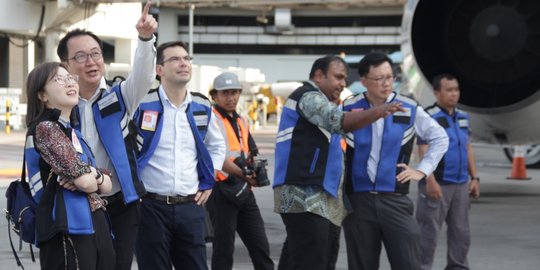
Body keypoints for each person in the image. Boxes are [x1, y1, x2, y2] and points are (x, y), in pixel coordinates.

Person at [273, 55, 404, 270]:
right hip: (305, 196)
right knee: (313, 261)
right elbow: (339, 121)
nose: (343, 84)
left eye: (344, 78)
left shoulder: (325, 101)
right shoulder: (308, 97)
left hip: (322, 199)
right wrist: (378, 112)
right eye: (338, 77)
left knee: (304, 258)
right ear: (318, 76)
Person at [56, 1, 157, 269]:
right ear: (65, 64)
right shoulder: (58, 105)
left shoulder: (120, 94)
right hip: (78, 201)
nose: (90, 62)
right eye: (80, 56)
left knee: (119, 265)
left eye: (95, 53)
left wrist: (145, 39)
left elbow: (145, 76)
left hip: (121, 202)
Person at [341, 52, 449, 270]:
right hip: (358, 202)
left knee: (408, 263)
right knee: (361, 264)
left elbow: (440, 138)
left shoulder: (408, 107)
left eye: (390, 76)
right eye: (379, 78)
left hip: (395, 200)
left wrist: (422, 171)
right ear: (363, 81)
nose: (386, 83)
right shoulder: (348, 107)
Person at [132, 41, 226, 270]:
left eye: (186, 58)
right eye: (175, 59)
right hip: (150, 206)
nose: (183, 63)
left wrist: (208, 178)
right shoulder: (142, 103)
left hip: (190, 206)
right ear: (159, 69)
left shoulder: (201, 105)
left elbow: (217, 145)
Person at [24, 62, 114, 269]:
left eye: (70, 77)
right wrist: (93, 177)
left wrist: (94, 176)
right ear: (42, 95)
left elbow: (105, 184)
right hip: (68, 227)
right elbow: (86, 182)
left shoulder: (74, 132)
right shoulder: (46, 128)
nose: (70, 82)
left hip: (89, 223)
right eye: (58, 79)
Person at [206, 72, 274, 270]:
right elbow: (218, 159)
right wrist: (245, 174)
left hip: (243, 190)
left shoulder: (241, 120)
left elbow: (250, 151)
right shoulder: (212, 119)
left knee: (260, 246)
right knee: (224, 250)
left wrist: (254, 169)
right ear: (214, 96)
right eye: (225, 93)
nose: (231, 97)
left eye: (235, 92)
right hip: (222, 192)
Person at [416, 73, 480, 270]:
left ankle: (458, 266)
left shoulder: (463, 117)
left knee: (461, 232)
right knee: (428, 233)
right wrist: (430, 181)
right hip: (438, 183)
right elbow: (423, 150)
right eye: (449, 90)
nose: (454, 94)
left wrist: (474, 177)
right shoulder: (429, 116)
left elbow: (468, 147)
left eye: (456, 89)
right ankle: (421, 267)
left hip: (460, 184)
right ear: (437, 93)